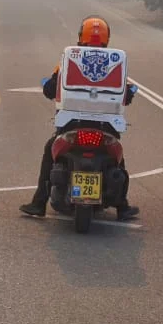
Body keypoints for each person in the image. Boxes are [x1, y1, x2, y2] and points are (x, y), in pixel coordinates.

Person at [19, 16, 139, 221]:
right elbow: (126, 95)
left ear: (81, 35)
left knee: (50, 150)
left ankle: (39, 203)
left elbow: (50, 89)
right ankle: (122, 206)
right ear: (106, 37)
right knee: (118, 160)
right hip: (106, 129)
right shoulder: (114, 61)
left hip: (71, 126)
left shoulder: (70, 59)